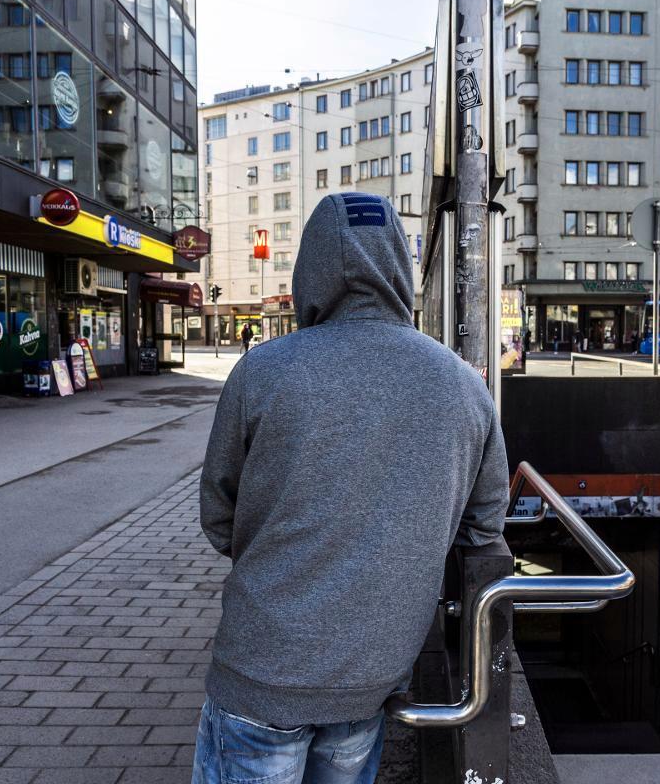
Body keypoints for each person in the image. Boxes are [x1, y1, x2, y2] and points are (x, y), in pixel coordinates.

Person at [195, 192, 509, 784]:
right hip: (372, 672)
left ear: (308, 270)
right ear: (399, 267)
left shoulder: (261, 372)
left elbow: (218, 516)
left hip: (262, 668)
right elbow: (484, 524)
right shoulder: (463, 384)